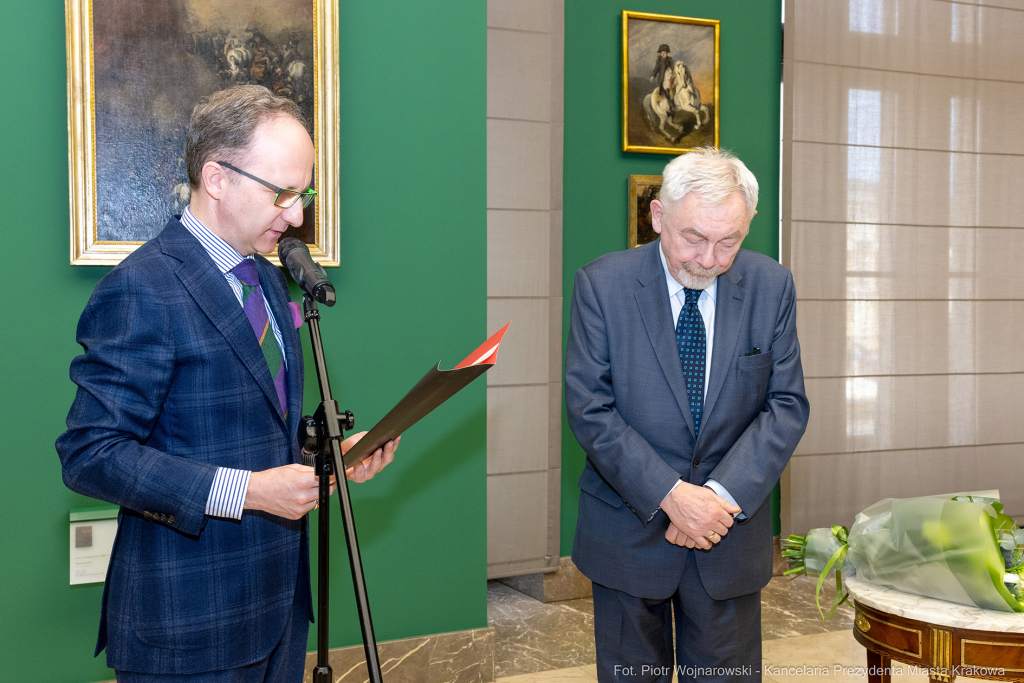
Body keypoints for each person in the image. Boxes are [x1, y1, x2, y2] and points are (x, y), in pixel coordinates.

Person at [56, 84, 399, 682]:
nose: (297, 216)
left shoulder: (267, 280)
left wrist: (328, 458)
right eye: (284, 194)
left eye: (305, 193)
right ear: (216, 178)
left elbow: (258, 427)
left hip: (279, 612)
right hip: (187, 626)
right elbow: (90, 455)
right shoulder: (143, 288)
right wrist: (247, 491)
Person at [565, 148, 809, 682]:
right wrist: (672, 495)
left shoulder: (771, 287)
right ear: (657, 217)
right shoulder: (602, 286)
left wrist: (717, 501)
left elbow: (786, 405)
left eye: (730, 241)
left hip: (727, 538)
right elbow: (591, 408)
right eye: (693, 238)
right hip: (628, 533)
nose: (709, 259)